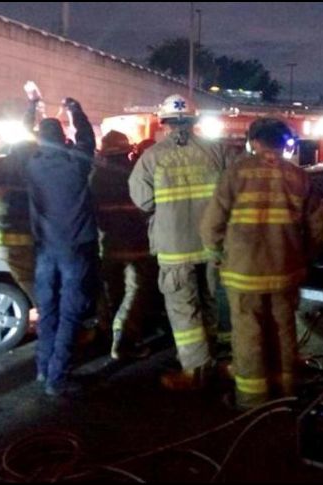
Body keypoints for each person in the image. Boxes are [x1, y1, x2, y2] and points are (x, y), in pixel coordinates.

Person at [201, 118, 322, 409]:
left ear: (254, 141)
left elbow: (211, 225)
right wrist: (302, 258)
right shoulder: (299, 176)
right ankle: (286, 390)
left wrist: (217, 254)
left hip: (243, 272)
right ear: (284, 143)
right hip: (285, 272)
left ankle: (252, 399)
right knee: (283, 330)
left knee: (248, 333)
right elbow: (316, 229)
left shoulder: (235, 172)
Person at [129, 94, 231, 390]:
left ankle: (195, 370)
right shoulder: (219, 152)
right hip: (212, 246)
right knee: (209, 301)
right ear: (194, 121)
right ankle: (208, 354)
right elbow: (230, 194)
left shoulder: (151, 157)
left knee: (184, 308)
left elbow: (143, 201)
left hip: (174, 249)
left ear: (164, 124)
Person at [24, 96, 97, 397]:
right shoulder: (76, 162)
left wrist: (32, 108)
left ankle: (44, 369)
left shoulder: (30, 164)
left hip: (44, 249)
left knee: (48, 310)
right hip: (74, 248)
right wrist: (75, 110)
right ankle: (58, 377)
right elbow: (87, 137)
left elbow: (22, 135)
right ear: (64, 139)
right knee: (70, 313)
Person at [90, 130, 157, 360]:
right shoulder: (137, 174)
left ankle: (108, 334)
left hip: (107, 246)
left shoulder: (95, 177)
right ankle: (124, 341)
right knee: (136, 292)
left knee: (111, 292)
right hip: (137, 246)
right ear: (128, 152)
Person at [0, 81, 43, 303]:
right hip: (27, 240)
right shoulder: (36, 166)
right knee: (38, 288)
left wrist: (33, 104)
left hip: (12, 241)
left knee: (33, 284)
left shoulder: (7, 164)